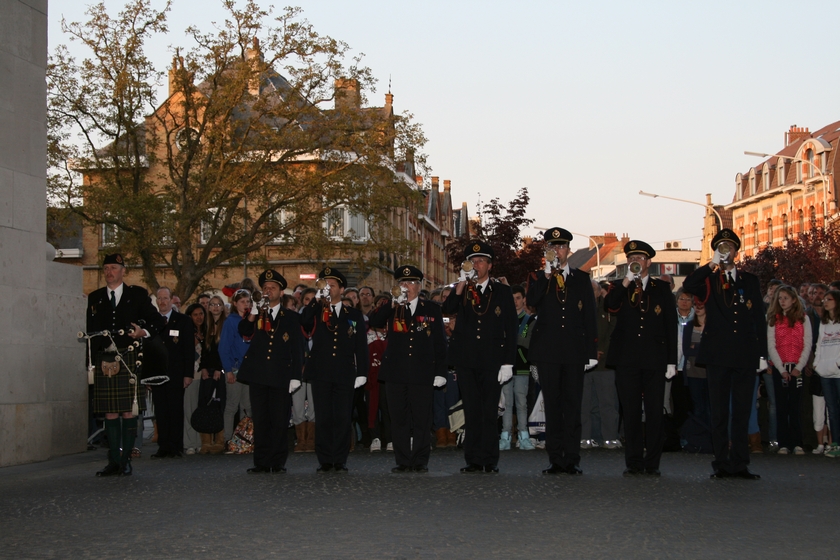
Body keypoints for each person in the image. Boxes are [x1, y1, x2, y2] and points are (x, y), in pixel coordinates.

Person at [683, 229, 766, 480]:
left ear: (737, 252)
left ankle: (740, 463)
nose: (726, 252)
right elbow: (689, 285)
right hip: (718, 355)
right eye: (721, 248)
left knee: (741, 411)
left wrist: (761, 353)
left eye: (729, 248)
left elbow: (758, 319)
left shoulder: (749, 281)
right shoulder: (709, 279)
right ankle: (721, 462)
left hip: (743, 354)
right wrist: (711, 264)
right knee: (719, 412)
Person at [526, 228, 598, 475]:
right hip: (548, 352)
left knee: (572, 406)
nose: (557, 251)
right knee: (553, 408)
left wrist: (590, 352)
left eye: (561, 247)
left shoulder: (581, 278)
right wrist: (547, 275)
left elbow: (589, 316)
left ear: (569, 249)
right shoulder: (538, 277)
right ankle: (556, 458)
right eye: (552, 247)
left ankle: (572, 458)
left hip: (574, 352)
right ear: (546, 251)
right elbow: (532, 302)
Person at [443, 240, 518, 474]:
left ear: (490, 266)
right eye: (473, 261)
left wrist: (508, 361)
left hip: (492, 361)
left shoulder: (503, 292)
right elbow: (447, 309)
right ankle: (473, 459)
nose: (477, 265)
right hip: (467, 360)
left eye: (481, 261)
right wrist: (461, 284)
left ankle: (490, 459)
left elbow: (511, 327)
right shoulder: (463, 289)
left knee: (488, 411)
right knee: (472, 411)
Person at [87, 253, 165, 477]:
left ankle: (126, 459)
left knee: (128, 412)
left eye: (113, 267)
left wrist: (143, 332)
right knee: (110, 412)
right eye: (106, 268)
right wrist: (90, 366)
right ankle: (114, 460)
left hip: (128, 358)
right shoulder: (95, 298)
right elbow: (90, 333)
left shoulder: (137, 295)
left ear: (123, 271)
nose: (109, 272)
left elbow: (157, 321)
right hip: (104, 359)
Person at [605, 240, 677, 476]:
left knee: (655, 411)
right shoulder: (619, 286)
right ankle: (634, 461)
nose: (635, 262)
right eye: (631, 259)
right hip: (627, 359)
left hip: (655, 358)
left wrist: (671, 361)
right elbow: (610, 306)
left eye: (639, 258)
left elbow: (670, 325)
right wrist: (626, 281)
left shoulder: (661, 289)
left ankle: (653, 462)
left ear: (648, 262)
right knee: (631, 412)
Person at [368, 265, 447, 472]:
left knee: (422, 418)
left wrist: (440, 372)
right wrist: (392, 303)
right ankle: (403, 460)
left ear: (419, 286)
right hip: (396, 372)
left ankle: (420, 460)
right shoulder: (393, 307)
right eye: (402, 283)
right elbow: (374, 321)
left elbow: (439, 342)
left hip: (422, 371)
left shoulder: (430, 309)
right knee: (399, 418)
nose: (406, 287)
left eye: (410, 283)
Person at [301, 267, 369, 473]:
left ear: (341, 289)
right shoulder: (316, 310)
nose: (328, 288)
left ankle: (339, 459)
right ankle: (324, 460)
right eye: (325, 285)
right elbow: (303, 322)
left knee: (342, 417)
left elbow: (361, 346)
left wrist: (362, 373)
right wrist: (315, 299)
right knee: (323, 418)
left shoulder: (353, 314)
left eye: (331, 285)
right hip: (321, 372)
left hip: (344, 372)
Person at [237, 270, 303, 473]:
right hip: (258, 374)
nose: (268, 291)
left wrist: (295, 376)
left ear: (281, 293)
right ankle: (261, 461)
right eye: (265, 288)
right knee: (261, 420)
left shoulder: (290, 317)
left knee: (279, 421)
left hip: (280, 375)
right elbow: (244, 331)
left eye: (272, 288)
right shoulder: (257, 314)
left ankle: (277, 461)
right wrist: (254, 312)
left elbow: (297, 348)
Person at [766, 285, 812, 456]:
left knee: (795, 405)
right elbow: (771, 345)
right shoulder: (773, 319)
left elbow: (807, 344)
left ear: (794, 299)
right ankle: (783, 442)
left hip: (797, 368)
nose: (782, 301)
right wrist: (780, 368)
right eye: (780, 298)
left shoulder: (803, 319)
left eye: (786, 298)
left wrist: (799, 367)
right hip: (780, 367)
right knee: (781, 405)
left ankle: (796, 442)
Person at [150, 287, 196, 459]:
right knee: (161, 411)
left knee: (175, 410)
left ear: (171, 300)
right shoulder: (152, 321)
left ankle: (176, 446)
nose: (162, 301)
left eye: (165, 298)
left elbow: (188, 349)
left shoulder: (182, 321)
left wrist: (188, 374)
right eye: (159, 298)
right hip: (157, 374)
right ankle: (163, 446)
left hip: (177, 373)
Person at [580, 279, 620, 450]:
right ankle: (584, 437)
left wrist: (600, 350)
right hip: (583, 364)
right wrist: (588, 352)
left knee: (608, 403)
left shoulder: (608, 308)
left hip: (604, 363)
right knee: (584, 403)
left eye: (593, 289)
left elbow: (613, 331)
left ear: (598, 292)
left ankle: (610, 437)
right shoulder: (578, 309)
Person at [499, 284, 535, 451]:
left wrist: (513, 338)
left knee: (521, 402)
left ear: (524, 300)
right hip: (505, 365)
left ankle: (523, 434)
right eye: (512, 299)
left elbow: (530, 342)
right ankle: (505, 435)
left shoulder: (529, 320)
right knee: (506, 403)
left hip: (521, 366)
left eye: (518, 298)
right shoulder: (503, 319)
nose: (515, 302)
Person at [219, 289, 252, 446]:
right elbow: (224, 348)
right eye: (242, 302)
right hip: (235, 367)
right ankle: (227, 438)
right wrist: (228, 370)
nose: (246, 304)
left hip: (249, 368)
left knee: (247, 406)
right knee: (232, 405)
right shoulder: (231, 321)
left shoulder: (252, 319)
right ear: (235, 304)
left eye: (248, 301)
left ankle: (245, 437)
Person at [196, 295, 228, 454]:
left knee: (219, 405)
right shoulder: (205, 325)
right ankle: (206, 441)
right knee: (204, 403)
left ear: (223, 307)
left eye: (218, 304)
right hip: (206, 369)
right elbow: (205, 351)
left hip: (220, 370)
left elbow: (223, 350)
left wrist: (218, 368)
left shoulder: (226, 324)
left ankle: (219, 441)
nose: (215, 307)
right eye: (212, 304)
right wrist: (202, 368)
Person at [814, 290, 840, 457]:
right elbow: (819, 344)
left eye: (829, 299)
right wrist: (816, 363)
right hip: (824, 370)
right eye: (824, 300)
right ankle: (835, 443)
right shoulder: (823, 322)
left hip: (838, 370)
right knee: (832, 409)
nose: (825, 302)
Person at [183, 303, 206, 454]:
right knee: (189, 409)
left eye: (201, 314)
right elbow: (183, 352)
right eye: (195, 315)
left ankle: (200, 441)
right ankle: (190, 442)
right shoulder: (185, 331)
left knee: (200, 409)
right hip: (190, 374)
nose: (199, 317)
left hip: (204, 374)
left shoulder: (207, 331)